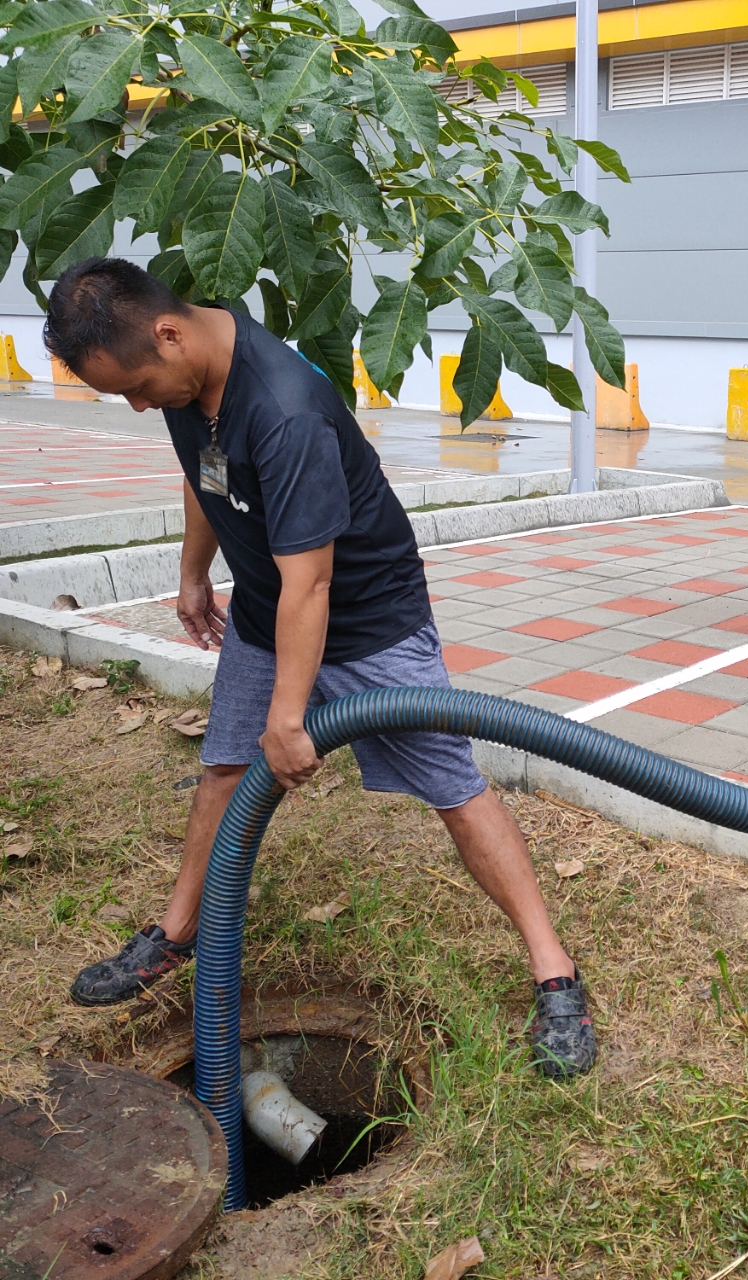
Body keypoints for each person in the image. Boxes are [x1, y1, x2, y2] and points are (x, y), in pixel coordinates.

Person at [46, 258, 595, 1080]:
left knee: (454, 791)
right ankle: (178, 932)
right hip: (271, 616)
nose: (135, 404)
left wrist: (290, 716)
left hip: (370, 624)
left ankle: (555, 973)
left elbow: (315, 580)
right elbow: (204, 475)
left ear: (169, 333)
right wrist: (195, 574)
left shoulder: (284, 410)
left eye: (135, 387)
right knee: (223, 770)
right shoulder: (186, 375)